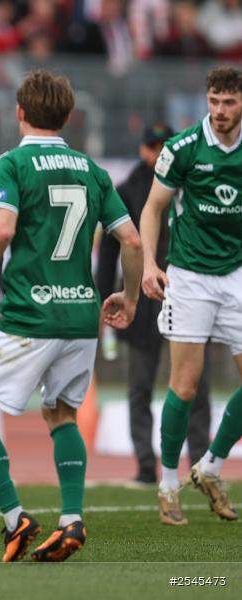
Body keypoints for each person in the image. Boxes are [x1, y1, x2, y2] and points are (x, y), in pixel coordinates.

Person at [0, 70, 143, 562]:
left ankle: (16, 518)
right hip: (81, 316)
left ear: (19, 113)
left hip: (30, 314)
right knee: (61, 413)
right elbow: (132, 240)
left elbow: (3, 230)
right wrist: (129, 298)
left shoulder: (11, 164)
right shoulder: (93, 170)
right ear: (69, 116)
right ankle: (72, 518)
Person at [140, 66, 242, 526]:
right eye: (214, 101)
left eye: (229, 102)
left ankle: (210, 467)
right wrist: (148, 264)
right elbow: (153, 208)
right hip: (191, 277)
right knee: (185, 383)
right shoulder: (182, 148)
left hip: (237, 274)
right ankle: (167, 485)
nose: (220, 111)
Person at [95, 123, 212, 486]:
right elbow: (111, 248)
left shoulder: (192, 182)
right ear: (143, 150)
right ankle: (147, 465)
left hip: (187, 292)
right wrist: (102, 296)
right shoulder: (127, 190)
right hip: (144, 300)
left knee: (195, 386)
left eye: (165, 145)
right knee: (140, 386)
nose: (159, 151)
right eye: (153, 145)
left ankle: (200, 465)